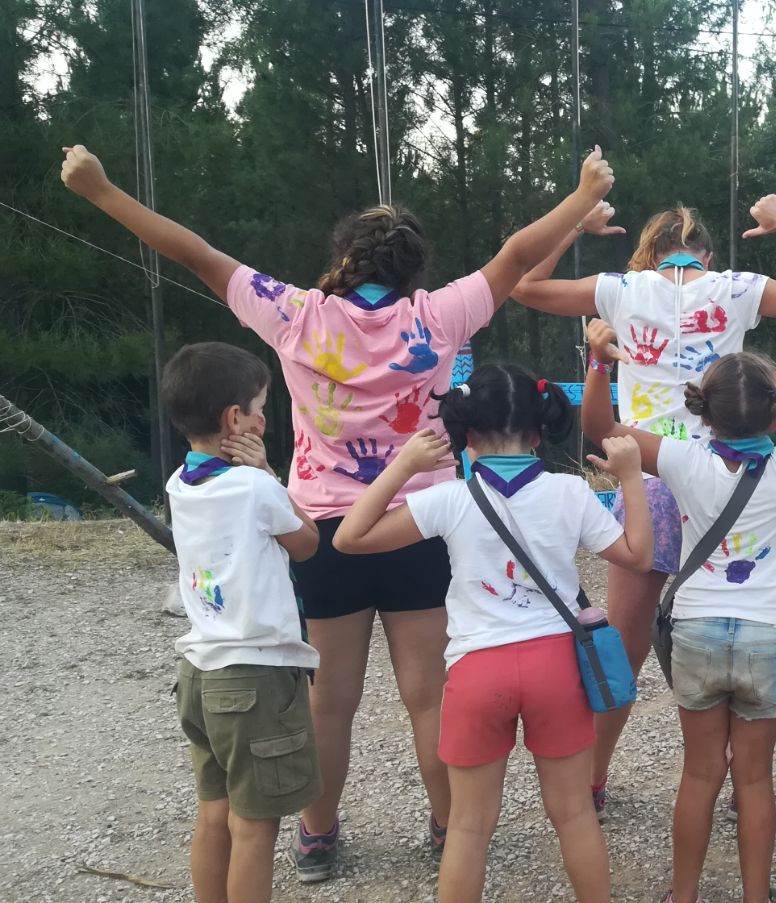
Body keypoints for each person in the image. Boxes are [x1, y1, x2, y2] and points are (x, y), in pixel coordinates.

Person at [59, 143, 617, 881]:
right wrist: (580, 198)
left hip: (323, 531)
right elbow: (516, 256)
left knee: (331, 702)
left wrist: (100, 190)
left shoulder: (297, 314)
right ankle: (447, 825)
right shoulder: (438, 315)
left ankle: (317, 835)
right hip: (419, 524)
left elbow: (195, 254)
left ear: (344, 260)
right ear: (411, 268)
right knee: (428, 697)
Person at [512, 196, 776, 809]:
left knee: (624, 645)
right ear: (707, 257)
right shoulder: (734, 287)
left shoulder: (621, 288)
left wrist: (576, 223)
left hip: (649, 476)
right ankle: (743, 779)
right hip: (727, 478)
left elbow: (525, 284)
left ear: (648, 254)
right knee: (736, 625)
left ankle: (592, 780)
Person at [329, 363, 652, 902]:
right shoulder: (570, 492)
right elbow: (638, 555)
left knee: (468, 826)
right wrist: (632, 477)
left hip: (478, 669)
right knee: (574, 814)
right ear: (537, 433)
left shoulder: (449, 499)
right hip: (556, 666)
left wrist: (404, 465)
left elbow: (349, 538)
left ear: (467, 436)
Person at [581, 318, 776, 903]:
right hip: (768, 635)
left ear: (704, 414)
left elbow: (600, 429)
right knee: (754, 779)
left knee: (699, 774)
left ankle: (682, 894)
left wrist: (599, 363)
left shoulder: (682, 461)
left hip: (697, 633)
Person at [158, 341, 322, 903]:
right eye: (259, 408)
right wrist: (271, 474)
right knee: (255, 827)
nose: (263, 419)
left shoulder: (179, 484)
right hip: (255, 677)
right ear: (235, 419)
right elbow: (307, 542)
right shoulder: (254, 486)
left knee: (214, 814)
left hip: (199, 672)